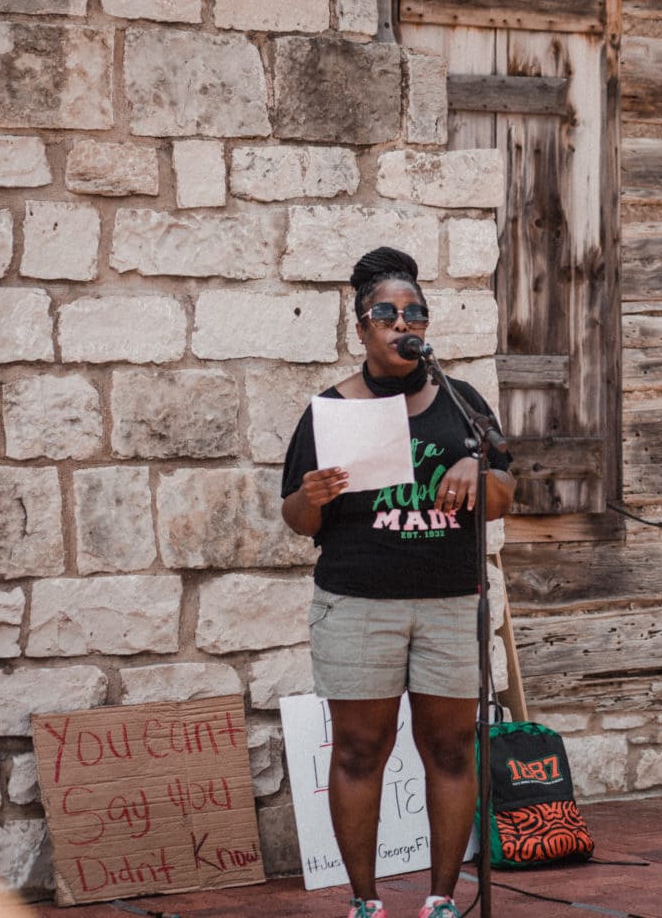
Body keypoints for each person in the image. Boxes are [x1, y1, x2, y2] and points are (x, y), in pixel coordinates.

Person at [281, 248, 516, 918]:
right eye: (386, 313)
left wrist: (481, 475)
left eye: (414, 313)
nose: (401, 322)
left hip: (448, 602)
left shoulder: (463, 405)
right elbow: (297, 519)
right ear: (361, 327)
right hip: (357, 604)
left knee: (448, 747)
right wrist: (314, 494)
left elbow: (506, 491)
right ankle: (364, 902)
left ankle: (442, 899)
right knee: (360, 750)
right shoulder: (329, 411)